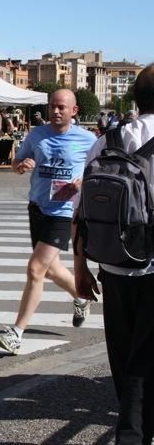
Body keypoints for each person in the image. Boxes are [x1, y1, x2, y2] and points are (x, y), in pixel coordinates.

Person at [73, 64, 154, 445]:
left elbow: (81, 209)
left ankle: (134, 428)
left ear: (135, 100)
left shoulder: (109, 139)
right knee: (143, 362)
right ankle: (132, 435)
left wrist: (79, 268)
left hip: (113, 264)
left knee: (123, 360)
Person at [0, 89, 96, 355]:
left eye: (62, 107)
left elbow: (100, 170)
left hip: (64, 211)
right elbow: (16, 162)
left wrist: (81, 182)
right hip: (38, 207)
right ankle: (81, 297)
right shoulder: (37, 135)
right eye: (52, 106)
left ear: (74, 111)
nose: (56, 111)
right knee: (51, 270)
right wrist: (21, 164)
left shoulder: (87, 139)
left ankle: (16, 333)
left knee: (35, 269)